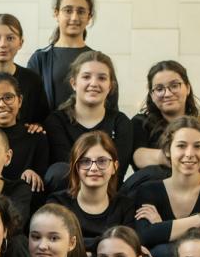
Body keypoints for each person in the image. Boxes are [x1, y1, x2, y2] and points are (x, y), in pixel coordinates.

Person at [123, 115, 200, 257]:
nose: (190, 153)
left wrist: (163, 227)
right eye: (181, 146)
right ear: (167, 151)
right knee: (162, 253)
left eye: (198, 146)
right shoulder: (148, 189)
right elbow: (144, 236)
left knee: (164, 250)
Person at [45, 51, 140, 193]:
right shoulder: (56, 121)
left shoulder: (121, 123)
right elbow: (66, 172)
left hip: (108, 197)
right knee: (58, 171)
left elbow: (117, 172)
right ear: (74, 83)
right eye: (86, 77)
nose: (94, 83)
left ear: (110, 86)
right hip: (68, 198)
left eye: (102, 78)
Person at [26, 0, 111, 111]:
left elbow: (111, 107)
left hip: (91, 129)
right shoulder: (40, 59)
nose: (74, 17)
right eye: (68, 11)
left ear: (89, 17)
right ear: (56, 13)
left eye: (81, 11)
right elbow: (30, 103)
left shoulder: (99, 61)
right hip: (50, 129)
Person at [53, 130, 135, 249]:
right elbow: (56, 243)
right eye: (85, 161)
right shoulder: (58, 203)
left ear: (114, 167)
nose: (94, 168)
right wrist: (104, 245)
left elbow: (128, 248)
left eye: (102, 161)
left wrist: (85, 250)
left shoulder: (125, 206)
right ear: (76, 168)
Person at [0, 72, 50, 193]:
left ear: (20, 100)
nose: (1, 105)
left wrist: (33, 173)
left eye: (8, 97)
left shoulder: (36, 137)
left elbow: (43, 178)